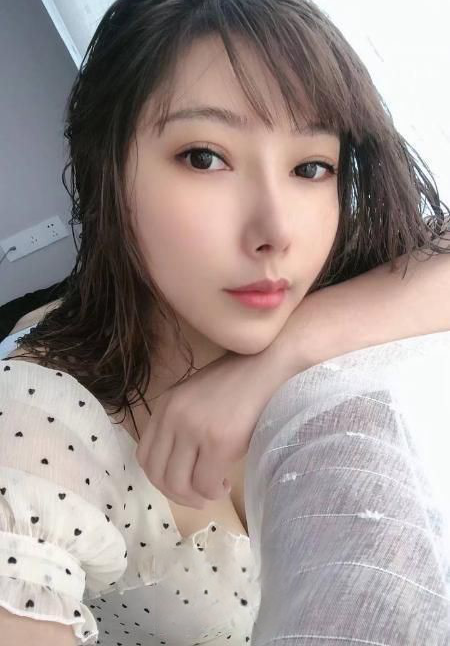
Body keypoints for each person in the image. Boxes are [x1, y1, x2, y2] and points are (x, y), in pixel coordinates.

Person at [1, 0, 449, 644]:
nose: (276, 231)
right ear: (108, 167)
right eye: (205, 157)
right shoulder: (34, 417)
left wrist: (292, 349)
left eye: (310, 167)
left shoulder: (340, 283)